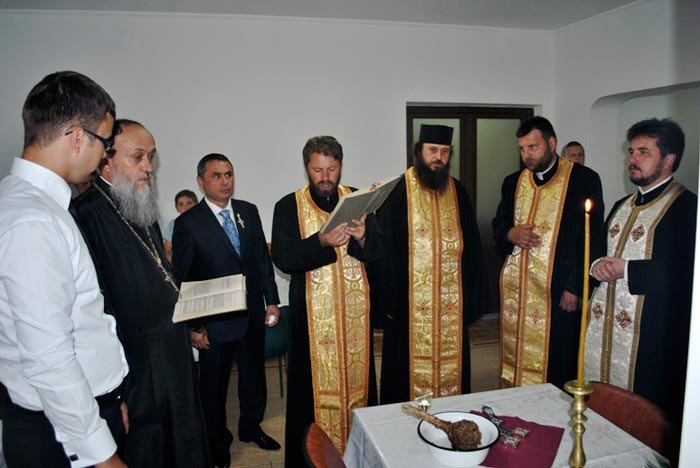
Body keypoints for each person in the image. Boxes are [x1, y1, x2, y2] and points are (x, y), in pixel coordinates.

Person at [0, 71, 129, 467]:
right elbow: (49, 357)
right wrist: (102, 453)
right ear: (76, 137)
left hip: (79, 411)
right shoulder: (33, 221)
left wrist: (111, 398)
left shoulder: (29, 202)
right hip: (59, 433)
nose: (104, 157)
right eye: (104, 143)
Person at [72, 120, 210, 468]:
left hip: (172, 348)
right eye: (138, 157)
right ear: (106, 160)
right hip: (134, 363)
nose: (148, 167)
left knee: (185, 439)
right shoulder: (86, 215)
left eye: (151, 157)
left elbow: (162, 273)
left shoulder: (140, 207)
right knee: (149, 447)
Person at [585, 118, 696, 460]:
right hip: (604, 329)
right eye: (631, 151)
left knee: (646, 430)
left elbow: (687, 272)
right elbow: (601, 251)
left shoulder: (687, 208)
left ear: (669, 160)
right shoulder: (622, 206)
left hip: (652, 340)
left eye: (643, 152)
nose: (632, 159)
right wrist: (597, 266)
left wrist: (628, 269)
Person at [271, 136, 377, 466]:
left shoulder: (358, 199)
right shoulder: (288, 206)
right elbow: (283, 258)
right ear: (306, 168)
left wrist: (364, 238)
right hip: (311, 326)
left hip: (355, 322)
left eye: (331, 169)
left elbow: (380, 253)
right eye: (318, 170)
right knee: (310, 398)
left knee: (361, 391)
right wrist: (320, 241)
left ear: (340, 166)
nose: (325, 177)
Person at [366, 125, 490, 405]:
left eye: (444, 152)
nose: (438, 157)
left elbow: (471, 248)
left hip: (450, 309)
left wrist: (471, 298)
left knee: (454, 386)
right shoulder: (397, 189)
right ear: (419, 152)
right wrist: (388, 303)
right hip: (407, 310)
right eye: (432, 150)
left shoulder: (457, 191)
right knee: (403, 384)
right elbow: (382, 250)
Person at [173, 153, 281, 467]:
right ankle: (217, 443)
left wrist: (271, 300)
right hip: (214, 323)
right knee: (213, 388)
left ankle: (251, 428)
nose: (225, 181)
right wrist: (193, 327)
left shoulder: (248, 211)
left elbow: (262, 260)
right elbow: (183, 279)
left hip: (251, 315)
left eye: (229, 174)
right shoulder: (188, 223)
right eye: (217, 176)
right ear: (201, 181)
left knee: (254, 379)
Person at [493, 116, 604, 389]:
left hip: (559, 289)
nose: (527, 155)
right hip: (519, 291)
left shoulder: (583, 179)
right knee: (517, 355)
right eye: (522, 149)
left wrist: (576, 286)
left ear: (552, 143)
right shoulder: (512, 182)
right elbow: (499, 223)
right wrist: (511, 233)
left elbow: (592, 238)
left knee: (559, 359)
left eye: (533, 147)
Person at [163, 189, 197, 262]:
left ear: (196, 205)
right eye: (181, 204)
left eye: (189, 203)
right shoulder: (172, 225)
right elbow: (167, 252)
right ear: (177, 208)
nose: (186, 207)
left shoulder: (205, 223)